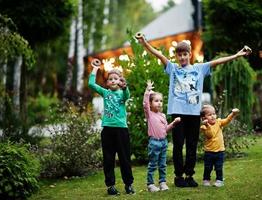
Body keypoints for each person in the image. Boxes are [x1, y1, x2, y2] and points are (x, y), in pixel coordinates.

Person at [136, 32, 251, 187]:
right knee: (178, 146)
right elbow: (158, 54)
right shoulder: (173, 69)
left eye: (185, 54)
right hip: (177, 114)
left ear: (190, 54)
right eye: (179, 55)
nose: (182, 58)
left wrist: (237, 55)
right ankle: (178, 177)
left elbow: (218, 61)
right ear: (176, 56)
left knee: (191, 145)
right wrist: (144, 43)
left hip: (193, 114)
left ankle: (189, 175)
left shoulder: (200, 68)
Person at [88, 63, 135, 196]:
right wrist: (95, 69)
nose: (113, 80)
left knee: (125, 158)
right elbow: (91, 85)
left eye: (116, 78)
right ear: (107, 83)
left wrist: (125, 87)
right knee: (108, 159)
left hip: (121, 130)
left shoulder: (122, 93)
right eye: (110, 79)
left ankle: (129, 184)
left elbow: (127, 95)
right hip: (107, 130)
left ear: (120, 81)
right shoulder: (105, 92)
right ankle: (111, 186)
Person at [143, 80, 181, 192]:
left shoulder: (163, 115)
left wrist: (173, 123)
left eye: (160, 101)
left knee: (162, 164)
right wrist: (147, 91)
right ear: (150, 103)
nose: (159, 103)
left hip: (163, 142)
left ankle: (162, 182)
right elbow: (145, 104)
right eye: (156, 101)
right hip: (154, 142)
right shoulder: (149, 114)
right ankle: (150, 184)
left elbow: (165, 130)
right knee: (153, 164)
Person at [200, 105, 240, 187]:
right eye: (210, 115)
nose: (213, 116)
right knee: (208, 167)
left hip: (220, 151)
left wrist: (232, 114)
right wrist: (207, 125)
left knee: (219, 167)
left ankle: (219, 180)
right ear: (204, 118)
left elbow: (227, 120)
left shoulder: (219, 122)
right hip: (209, 152)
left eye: (214, 114)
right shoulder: (204, 126)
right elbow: (210, 135)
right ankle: (206, 179)